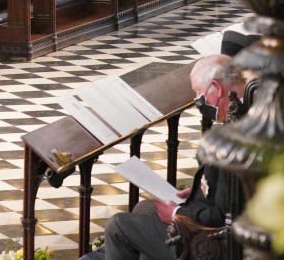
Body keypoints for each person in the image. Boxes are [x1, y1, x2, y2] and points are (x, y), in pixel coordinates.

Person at [80, 55, 246, 260]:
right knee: (144, 209)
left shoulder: (239, 134)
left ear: (216, 88)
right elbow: (223, 188)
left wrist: (177, 213)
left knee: (118, 226)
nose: (197, 101)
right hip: (211, 220)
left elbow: (221, 216)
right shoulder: (244, 114)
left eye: (198, 93)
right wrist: (195, 192)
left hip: (213, 244)